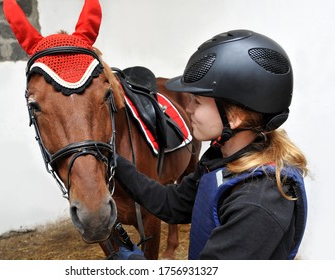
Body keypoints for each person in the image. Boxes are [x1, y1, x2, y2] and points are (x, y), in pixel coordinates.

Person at [115, 29, 308, 260]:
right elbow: (173, 204)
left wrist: (135, 265)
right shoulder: (222, 158)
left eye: (197, 101)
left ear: (235, 116)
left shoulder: (257, 201)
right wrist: (115, 161)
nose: (188, 109)